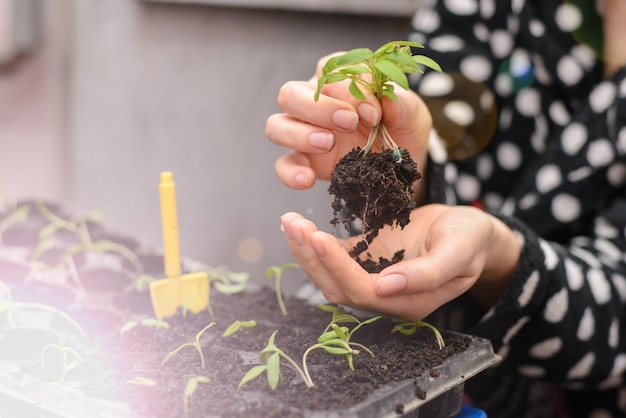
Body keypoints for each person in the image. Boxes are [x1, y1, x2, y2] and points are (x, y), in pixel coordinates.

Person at [266, 0, 626, 417]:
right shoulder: (485, 8)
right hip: (418, 370)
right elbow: (431, 144)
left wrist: (502, 257)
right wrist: (404, 174)